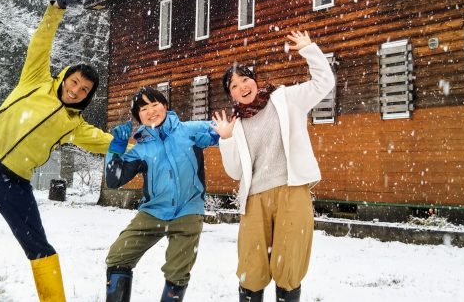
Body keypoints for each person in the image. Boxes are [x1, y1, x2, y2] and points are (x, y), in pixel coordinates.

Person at [0, 0, 113, 302]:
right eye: (74, 82)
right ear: (65, 77)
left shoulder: (73, 124)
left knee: (37, 245)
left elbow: (106, 142)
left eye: (84, 90)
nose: (76, 91)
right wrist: (57, 8)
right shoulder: (36, 80)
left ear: (87, 96)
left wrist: (144, 144)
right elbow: (42, 41)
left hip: (15, 183)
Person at [211, 31, 335, 302]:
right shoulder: (237, 124)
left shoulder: (286, 99)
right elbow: (234, 172)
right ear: (230, 94)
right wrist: (227, 139)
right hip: (254, 199)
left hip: (292, 191)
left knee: (289, 263)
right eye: (234, 85)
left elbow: (324, 82)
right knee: (251, 266)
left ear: (254, 81)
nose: (242, 86)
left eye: (245, 79)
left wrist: (309, 49)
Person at [103, 86, 220, 302]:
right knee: (119, 255)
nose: (151, 111)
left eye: (155, 104)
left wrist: (228, 132)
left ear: (165, 106)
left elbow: (226, 132)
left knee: (177, 271)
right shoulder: (141, 149)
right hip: (152, 213)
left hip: (188, 212)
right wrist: (117, 148)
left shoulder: (190, 131)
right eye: (144, 108)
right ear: (138, 116)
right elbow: (113, 180)